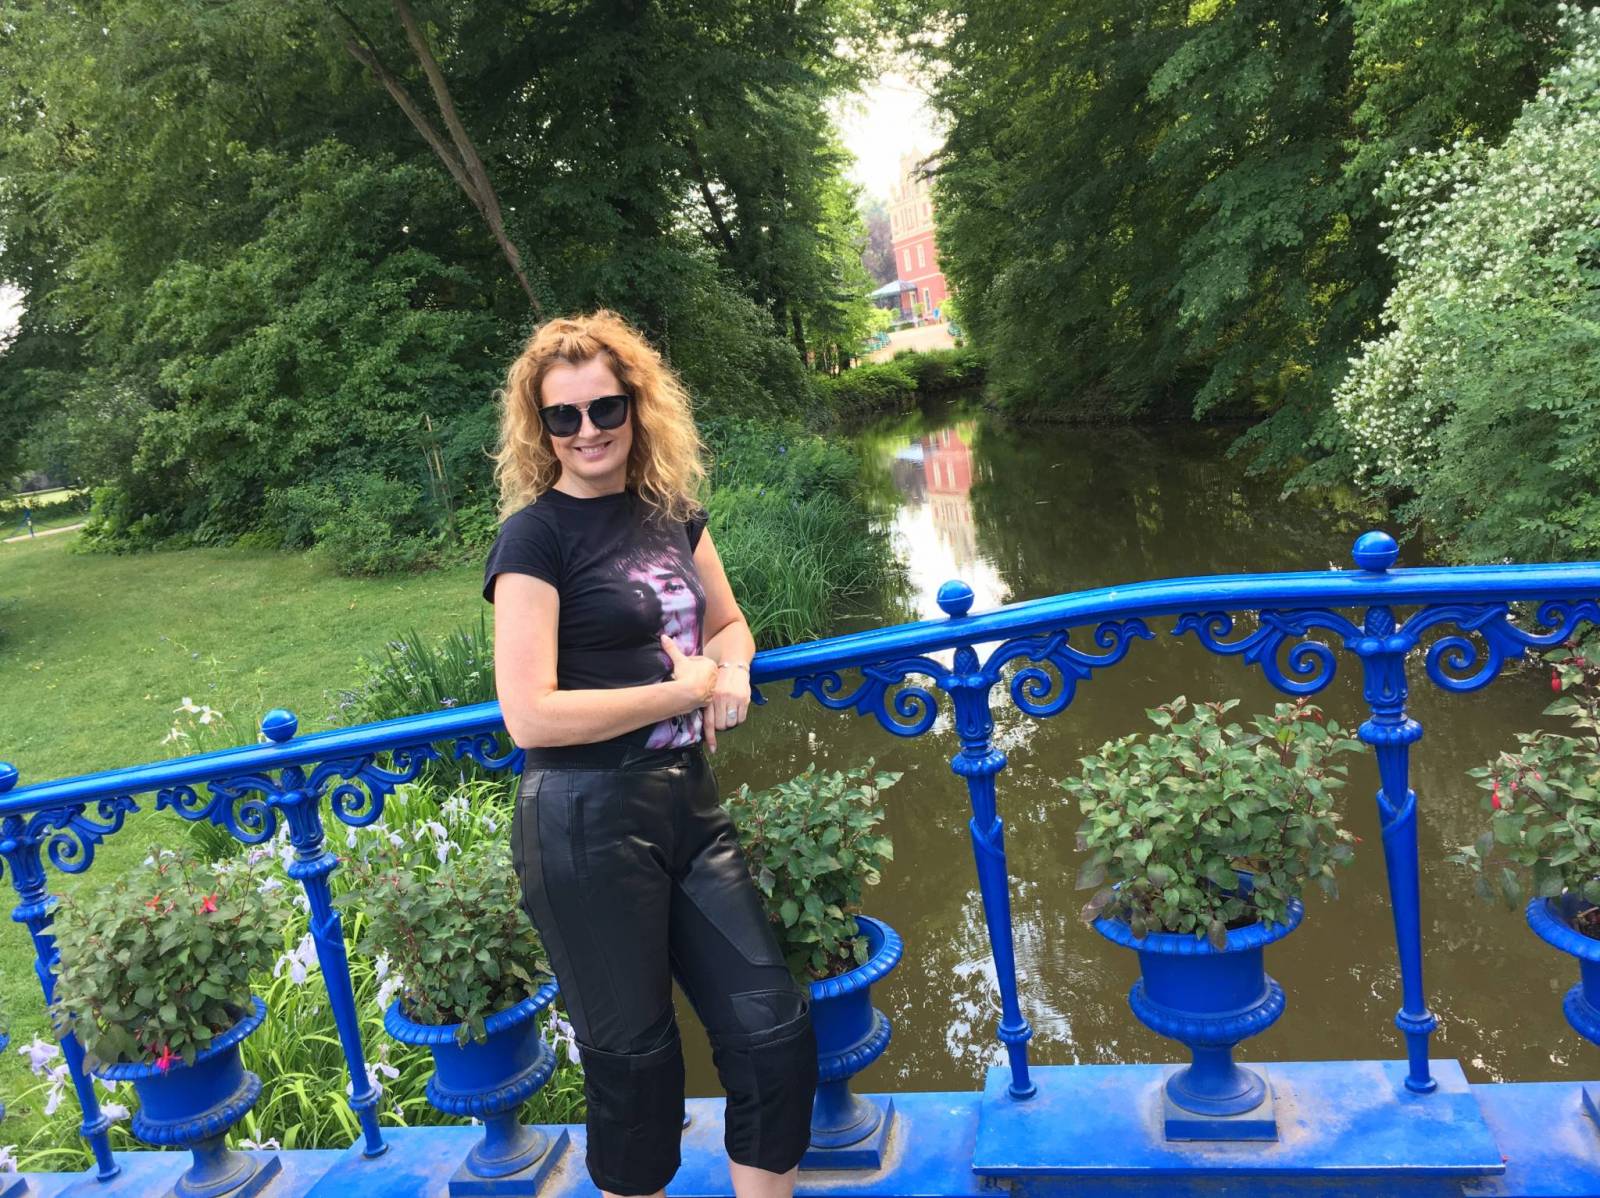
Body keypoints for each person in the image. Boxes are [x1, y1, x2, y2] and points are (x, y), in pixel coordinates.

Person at [482, 310, 818, 1198]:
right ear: (540, 428)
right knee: (635, 1071)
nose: (588, 430)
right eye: (563, 416)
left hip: (687, 808)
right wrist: (681, 694)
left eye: (606, 408)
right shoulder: (534, 538)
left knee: (773, 1038)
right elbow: (529, 716)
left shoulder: (673, 516)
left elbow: (729, 622)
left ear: (637, 407)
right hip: (583, 822)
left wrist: (731, 669)